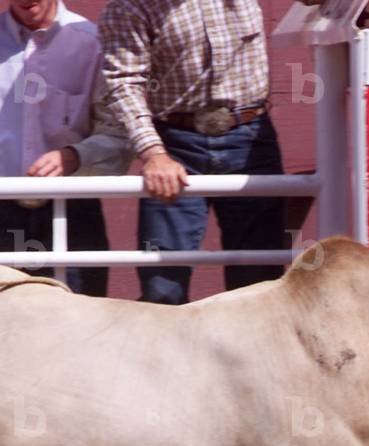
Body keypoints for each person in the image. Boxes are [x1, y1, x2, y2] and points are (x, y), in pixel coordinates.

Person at [99, 0, 286, 305]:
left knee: (259, 285)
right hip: (175, 146)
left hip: (250, 137)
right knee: (162, 287)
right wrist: (153, 153)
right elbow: (123, 83)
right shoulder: (129, 7)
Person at [0, 0, 130, 297]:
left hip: (72, 208)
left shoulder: (93, 42)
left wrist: (74, 156)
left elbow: (121, 135)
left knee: (81, 321)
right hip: (1, 205)